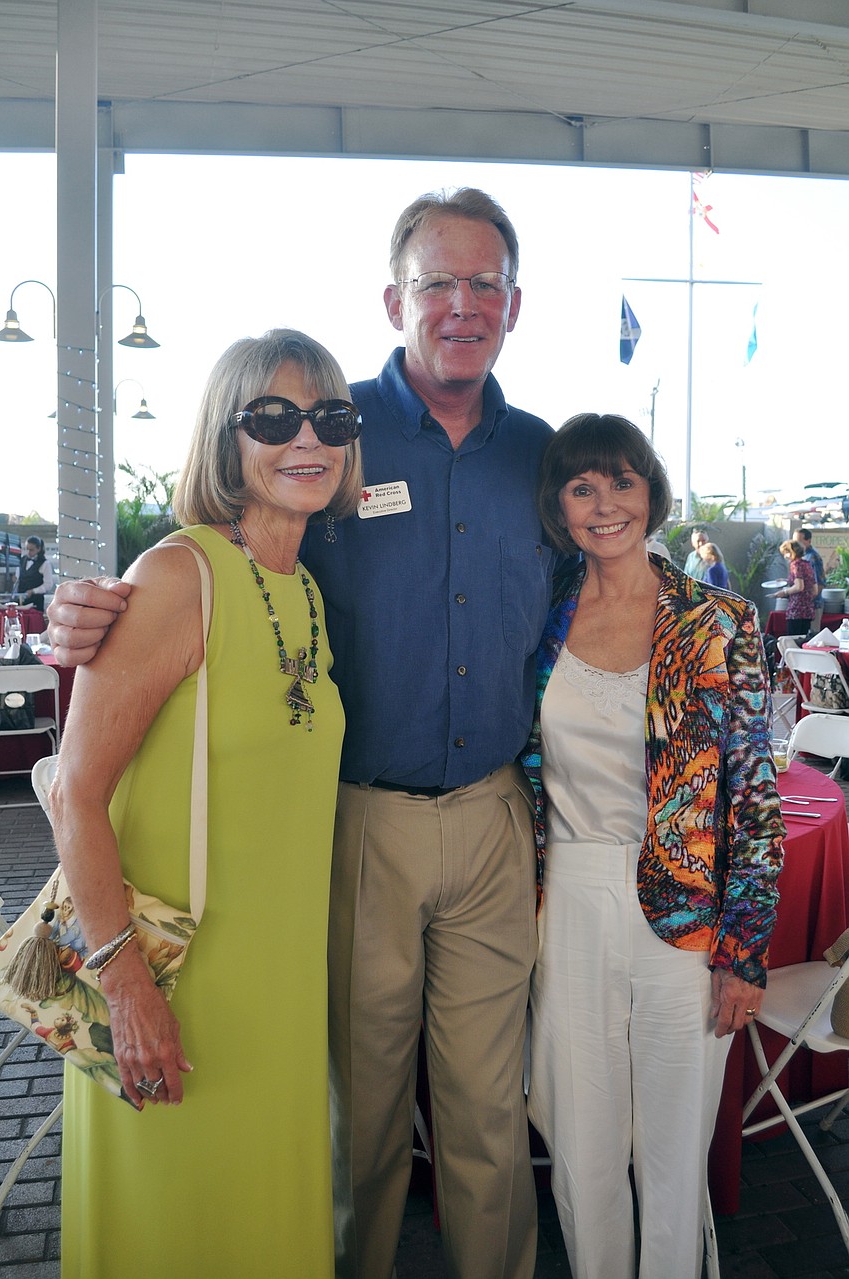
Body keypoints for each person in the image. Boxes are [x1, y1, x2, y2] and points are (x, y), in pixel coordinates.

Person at [47, 188, 554, 1279]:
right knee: (359, 1116)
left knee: (486, 1110)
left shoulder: (543, 462)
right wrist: (79, 613)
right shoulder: (336, 438)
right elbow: (181, 598)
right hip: (353, 835)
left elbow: (599, 597)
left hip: (490, 820)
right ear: (394, 299)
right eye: (437, 283)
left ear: (514, 304)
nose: (462, 305)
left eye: (485, 285)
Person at [49, 328, 363, 1278]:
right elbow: (72, 793)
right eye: (273, 415)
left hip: (277, 987)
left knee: (264, 1216)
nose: (306, 436)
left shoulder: (303, 587)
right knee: (176, 1225)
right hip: (170, 980)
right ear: (227, 439)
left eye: (330, 416)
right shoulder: (177, 574)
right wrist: (125, 986)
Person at [522, 413, 784, 1279]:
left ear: (651, 492)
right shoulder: (538, 613)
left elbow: (753, 793)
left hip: (688, 914)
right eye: (582, 487)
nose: (604, 506)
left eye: (621, 483)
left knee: (673, 1156)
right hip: (566, 902)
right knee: (583, 1147)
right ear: (560, 505)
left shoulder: (718, 621)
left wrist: (744, 951)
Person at [774, 538, 816, 636]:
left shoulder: (795, 565)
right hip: (808, 610)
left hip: (796, 610)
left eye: (785, 553)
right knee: (803, 640)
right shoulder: (807, 564)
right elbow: (814, 589)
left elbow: (799, 586)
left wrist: (784, 592)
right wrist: (786, 581)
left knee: (792, 641)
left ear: (791, 552)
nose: (785, 556)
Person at [798, 526, 826, 631]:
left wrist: (809, 600)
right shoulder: (803, 556)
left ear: (808, 541)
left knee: (812, 638)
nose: (795, 544)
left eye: (798, 541)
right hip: (804, 606)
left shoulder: (812, 558)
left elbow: (820, 582)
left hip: (813, 605)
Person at [13, 534, 54, 604]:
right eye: (26, 549)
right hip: (21, 601)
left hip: (36, 602)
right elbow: (18, 579)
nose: (28, 552)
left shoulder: (45, 563)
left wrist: (34, 591)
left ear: (39, 549)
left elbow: (48, 585)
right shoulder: (22, 560)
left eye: (31, 550)